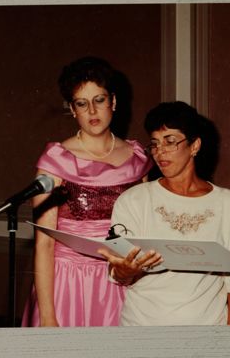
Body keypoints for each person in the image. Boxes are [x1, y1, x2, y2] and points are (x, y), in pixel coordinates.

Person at [97, 101, 230, 326]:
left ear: (195, 146)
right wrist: (124, 270)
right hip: (141, 331)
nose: (160, 151)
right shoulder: (133, 200)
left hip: (207, 335)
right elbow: (119, 273)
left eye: (170, 141)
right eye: (155, 143)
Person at [21, 56, 153, 327]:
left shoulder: (138, 159)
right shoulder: (55, 162)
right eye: (82, 103)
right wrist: (48, 316)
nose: (92, 111)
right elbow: (44, 244)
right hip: (67, 284)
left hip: (120, 282)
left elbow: (145, 231)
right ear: (73, 109)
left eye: (100, 100)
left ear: (113, 102)